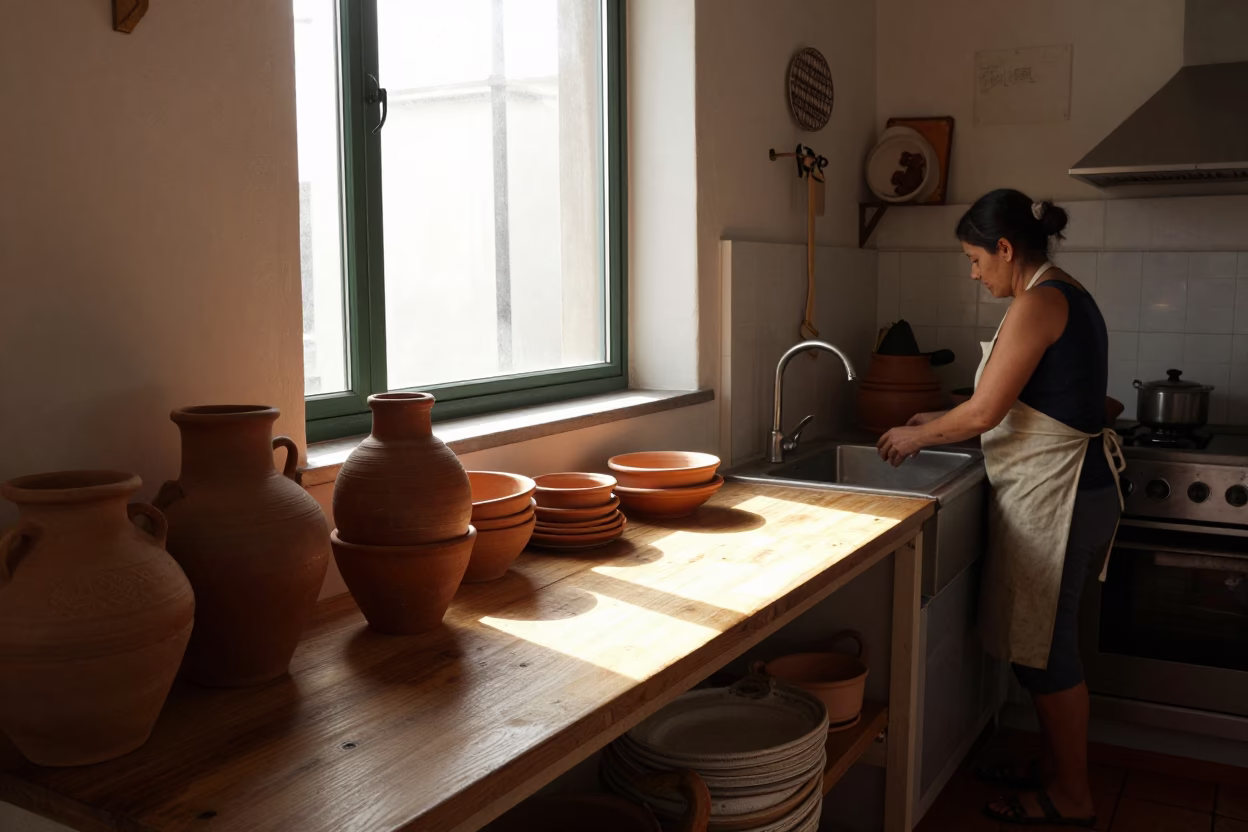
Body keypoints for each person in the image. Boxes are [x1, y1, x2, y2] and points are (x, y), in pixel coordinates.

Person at [876, 189, 1123, 827]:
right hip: (1068, 492)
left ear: (1006, 249)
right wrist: (938, 417)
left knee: (1048, 651)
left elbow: (987, 412)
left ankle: (1072, 796)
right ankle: (1052, 768)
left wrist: (916, 436)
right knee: (1040, 646)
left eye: (975, 258)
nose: (973, 271)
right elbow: (1016, 399)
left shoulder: (1040, 301)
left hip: (1062, 498)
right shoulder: (1062, 292)